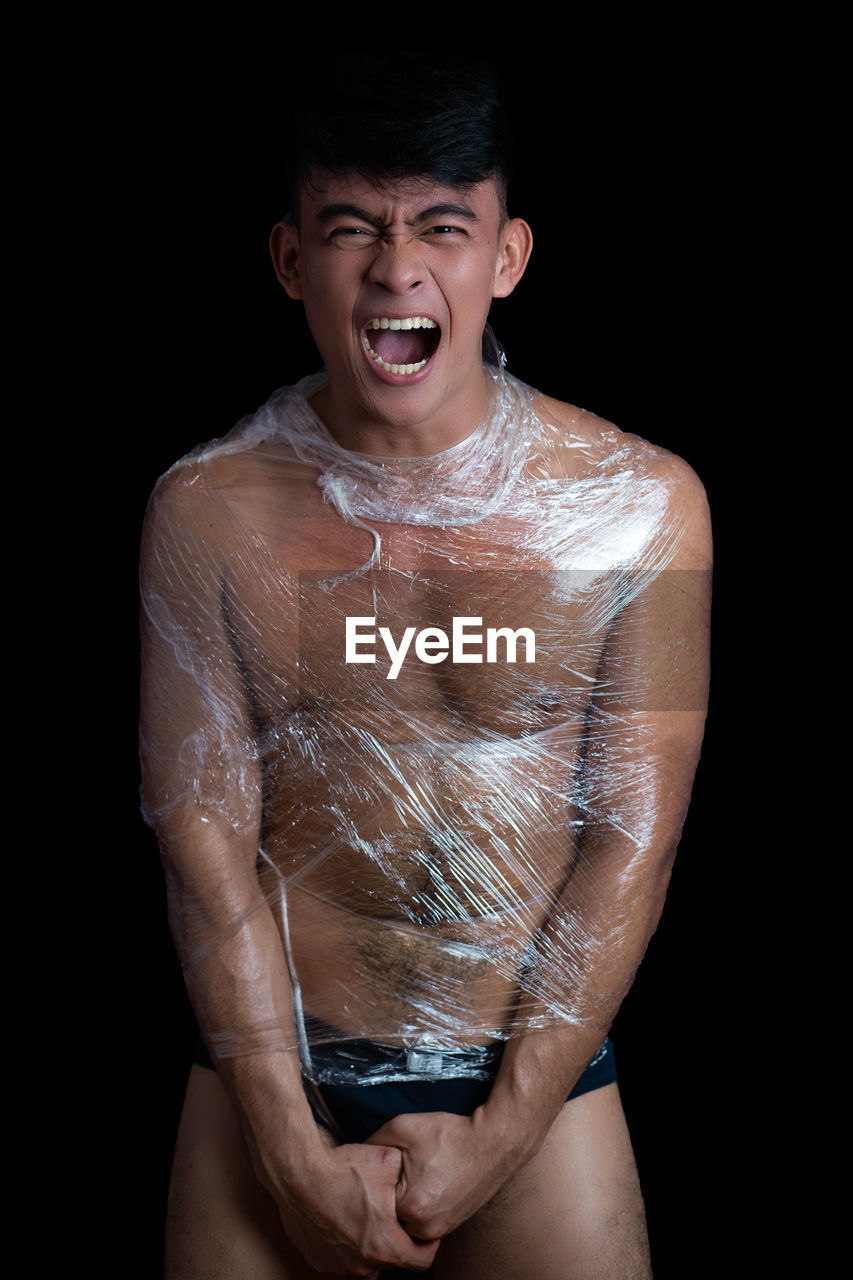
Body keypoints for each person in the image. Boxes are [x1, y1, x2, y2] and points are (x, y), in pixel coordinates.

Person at [140, 53, 711, 1278]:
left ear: (504, 256)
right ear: (293, 259)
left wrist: (502, 1134)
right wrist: (291, 1151)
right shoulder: (211, 513)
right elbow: (200, 835)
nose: (398, 268)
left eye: (442, 228)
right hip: (266, 1083)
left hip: (531, 1085)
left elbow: (636, 836)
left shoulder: (638, 508)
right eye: (354, 228)